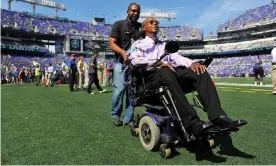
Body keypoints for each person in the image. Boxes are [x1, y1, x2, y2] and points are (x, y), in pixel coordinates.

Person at [128, 17, 247, 135]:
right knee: (166, 71)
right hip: (150, 78)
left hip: (169, 75)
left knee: (200, 71)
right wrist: (157, 62)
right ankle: (192, 123)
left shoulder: (164, 45)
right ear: (144, 27)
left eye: (157, 22)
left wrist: (192, 63)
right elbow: (133, 60)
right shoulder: (139, 44)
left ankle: (218, 116)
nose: (155, 24)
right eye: (151, 22)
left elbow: (177, 58)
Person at [109, 2, 142, 126]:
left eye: (138, 11)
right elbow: (111, 43)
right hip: (120, 63)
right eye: (133, 11)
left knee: (131, 91)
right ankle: (115, 115)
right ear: (127, 11)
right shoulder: (118, 24)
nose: (135, 13)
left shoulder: (141, 27)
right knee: (119, 90)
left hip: (135, 65)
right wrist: (123, 53)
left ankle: (128, 118)